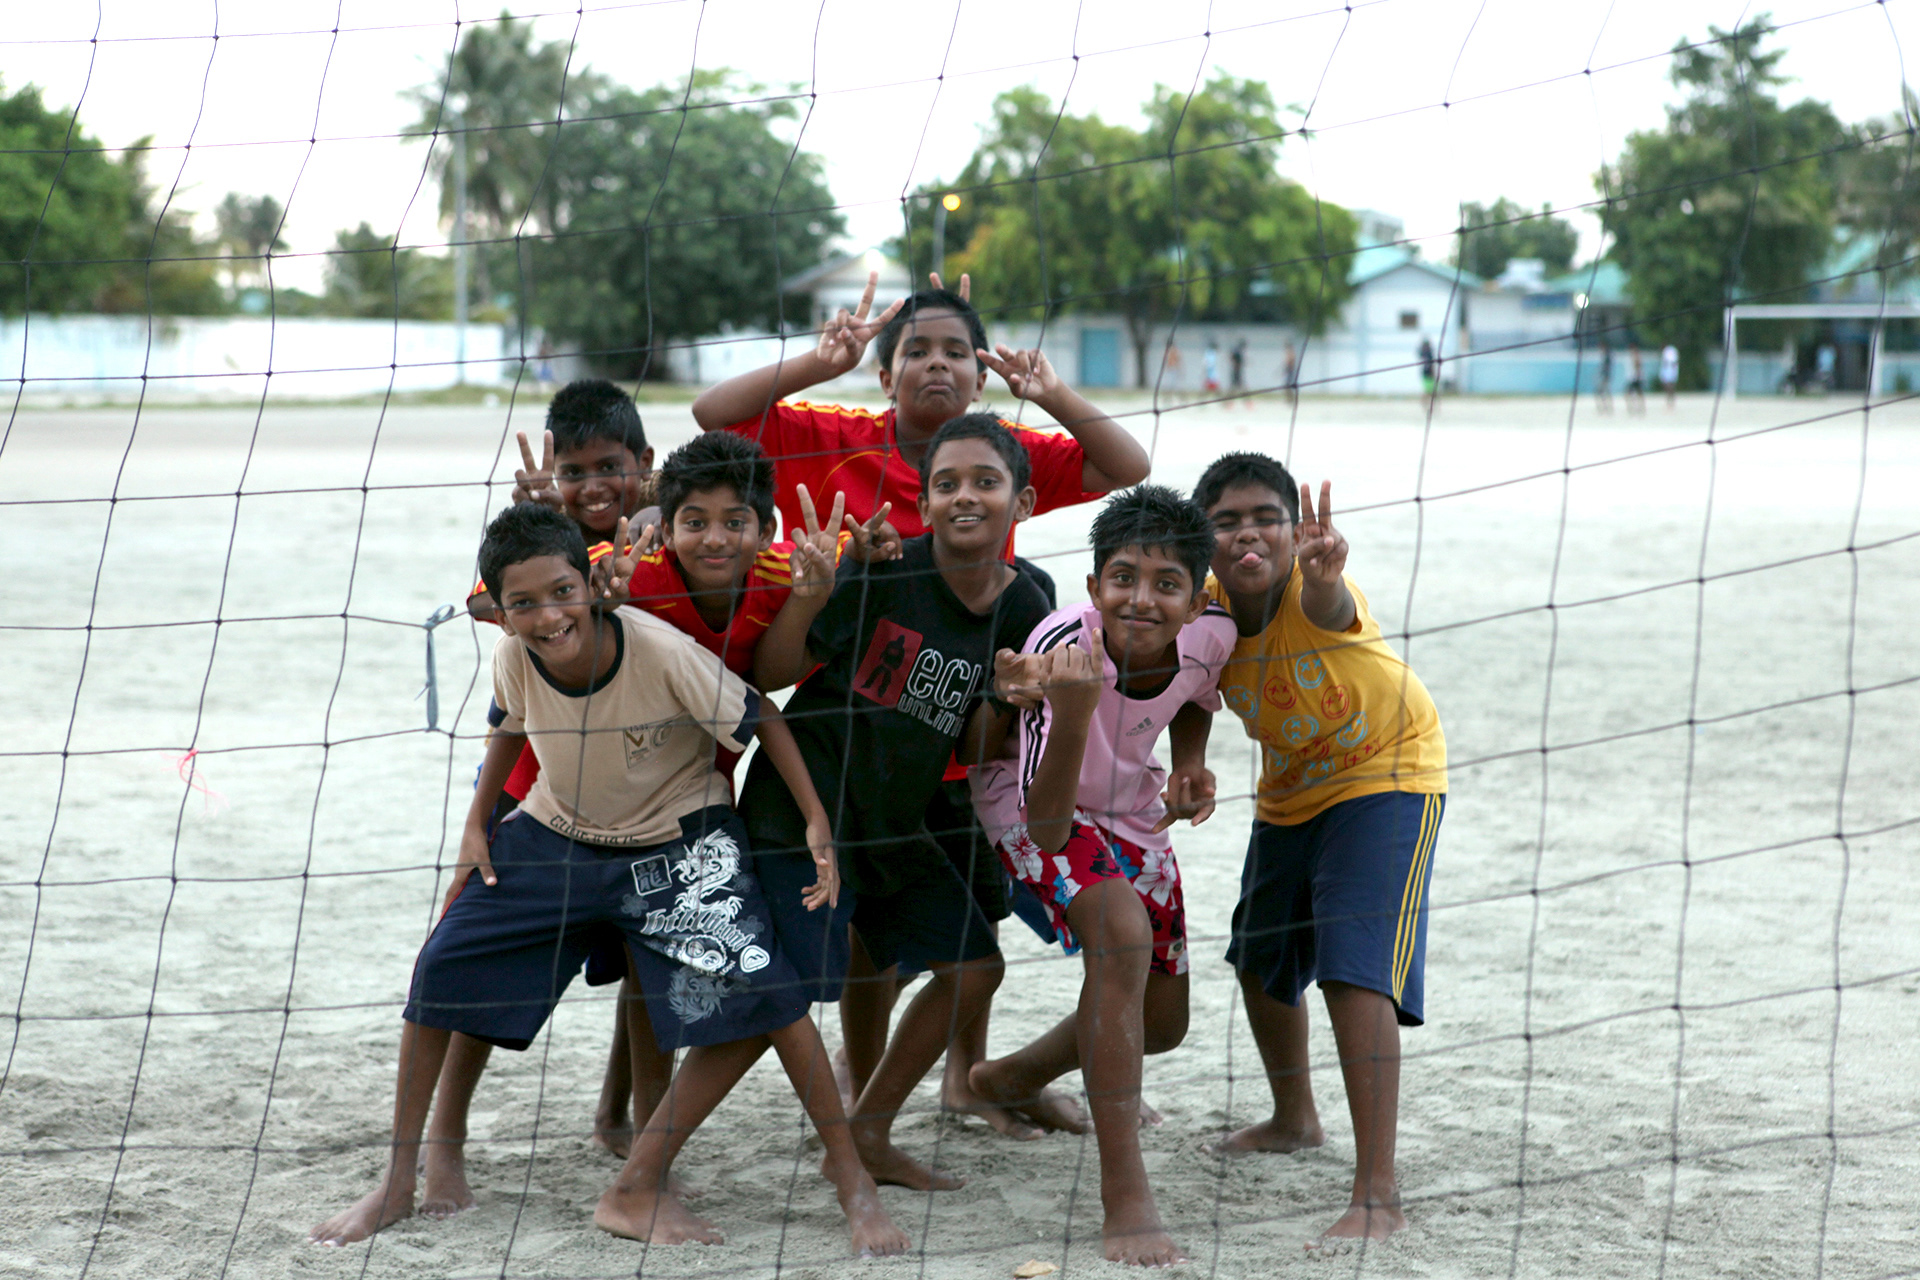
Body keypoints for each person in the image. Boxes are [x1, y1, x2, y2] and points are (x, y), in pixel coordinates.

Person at [311, 503, 907, 1257]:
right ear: (499, 609)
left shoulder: (658, 650)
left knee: (774, 996)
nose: (546, 616)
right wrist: (476, 823)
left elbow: (762, 715)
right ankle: (400, 1181)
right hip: (555, 833)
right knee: (438, 969)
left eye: (561, 593)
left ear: (591, 584)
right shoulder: (514, 655)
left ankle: (850, 1186)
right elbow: (509, 723)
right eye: (522, 604)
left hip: (675, 838)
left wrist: (816, 819)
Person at [693, 272, 1147, 1135]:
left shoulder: (1002, 463)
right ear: (884, 372)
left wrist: (1046, 390)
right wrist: (815, 364)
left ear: (982, 377)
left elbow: (1127, 466)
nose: (934, 366)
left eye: (954, 352)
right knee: (864, 949)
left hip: (955, 726)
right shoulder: (845, 442)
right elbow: (716, 417)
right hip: (854, 741)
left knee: (971, 925)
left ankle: (958, 1083)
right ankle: (869, 1093)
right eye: (915, 352)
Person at [745, 414, 1054, 1191]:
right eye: (945, 483)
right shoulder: (885, 568)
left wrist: (1014, 700)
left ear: (1021, 503)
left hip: (895, 817)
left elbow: (978, 744)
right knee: (781, 983)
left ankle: (869, 1131)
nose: (964, 497)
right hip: (803, 800)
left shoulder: (1029, 602)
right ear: (925, 499)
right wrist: (812, 597)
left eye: (985, 481)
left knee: (976, 966)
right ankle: (656, 1148)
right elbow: (774, 675)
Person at [967, 486, 1235, 1266]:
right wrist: (1075, 709)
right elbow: (1048, 828)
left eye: (1165, 585)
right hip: (1032, 802)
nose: (1140, 599)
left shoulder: (1212, 635)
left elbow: (1198, 695)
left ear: (1194, 601)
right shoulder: (1063, 648)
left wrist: (1188, 763)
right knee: (1120, 935)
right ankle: (1126, 1197)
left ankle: (1007, 1078)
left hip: (1128, 805)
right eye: (1122, 578)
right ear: (1093, 587)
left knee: (1162, 1025)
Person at [1195, 452, 1447, 1254]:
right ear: (1204, 540)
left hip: (1389, 768)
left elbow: (1329, 600)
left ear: (1292, 528)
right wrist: (1187, 764)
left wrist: (1326, 570)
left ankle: (1378, 1192)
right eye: (1226, 521)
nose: (1247, 535)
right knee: (1258, 956)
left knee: (1351, 962)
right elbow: (1193, 684)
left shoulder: (1316, 590)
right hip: (1292, 785)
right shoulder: (1201, 608)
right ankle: (1294, 1118)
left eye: (1265, 518)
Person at [442, 380, 667, 1184]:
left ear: (645, 463)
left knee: (647, 963)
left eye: (612, 466)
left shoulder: (670, 533)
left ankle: (624, 1118)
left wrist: (650, 525)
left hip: (648, 789)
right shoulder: (556, 552)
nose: (594, 485)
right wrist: (557, 530)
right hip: (533, 784)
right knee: (477, 958)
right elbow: (480, 602)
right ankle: (444, 1140)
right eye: (575, 472)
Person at [1416, 337, 1438, 411]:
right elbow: (1431, 365)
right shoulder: (1428, 353)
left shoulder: (1423, 353)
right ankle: (1426, 406)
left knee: (1430, 392)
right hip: (1428, 374)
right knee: (1429, 392)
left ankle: (1428, 406)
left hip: (1426, 374)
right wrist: (1434, 374)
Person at [1626, 344, 1647, 414]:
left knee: (1632, 393)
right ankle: (1639, 407)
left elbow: (1638, 366)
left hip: (1635, 378)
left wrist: (1637, 376)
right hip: (1634, 377)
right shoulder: (1635, 356)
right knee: (1638, 393)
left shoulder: (1636, 356)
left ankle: (1635, 408)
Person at [1595, 342, 1615, 413]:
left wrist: (1603, 375)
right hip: (1604, 376)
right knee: (1605, 392)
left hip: (1605, 376)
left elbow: (1606, 368)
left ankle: (1605, 407)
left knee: (1602, 392)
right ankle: (1606, 407)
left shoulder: (1606, 356)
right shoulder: (1605, 356)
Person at [1229, 337, 1248, 406]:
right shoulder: (1238, 351)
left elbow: (1232, 358)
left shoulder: (1236, 350)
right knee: (1242, 388)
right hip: (1237, 372)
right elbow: (1236, 360)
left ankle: (1229, 403)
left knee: (1233, 388)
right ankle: (1247, 402)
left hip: (1236, 371)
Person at [1660, 342, 1680, 408]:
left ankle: (1671, 400)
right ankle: (1669, 399)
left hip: (1670, 371)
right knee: (1668, 386)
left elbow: (1671, 362)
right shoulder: (1668, 351)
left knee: (1670, 386)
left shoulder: (1669, 351)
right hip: (1669, 370)